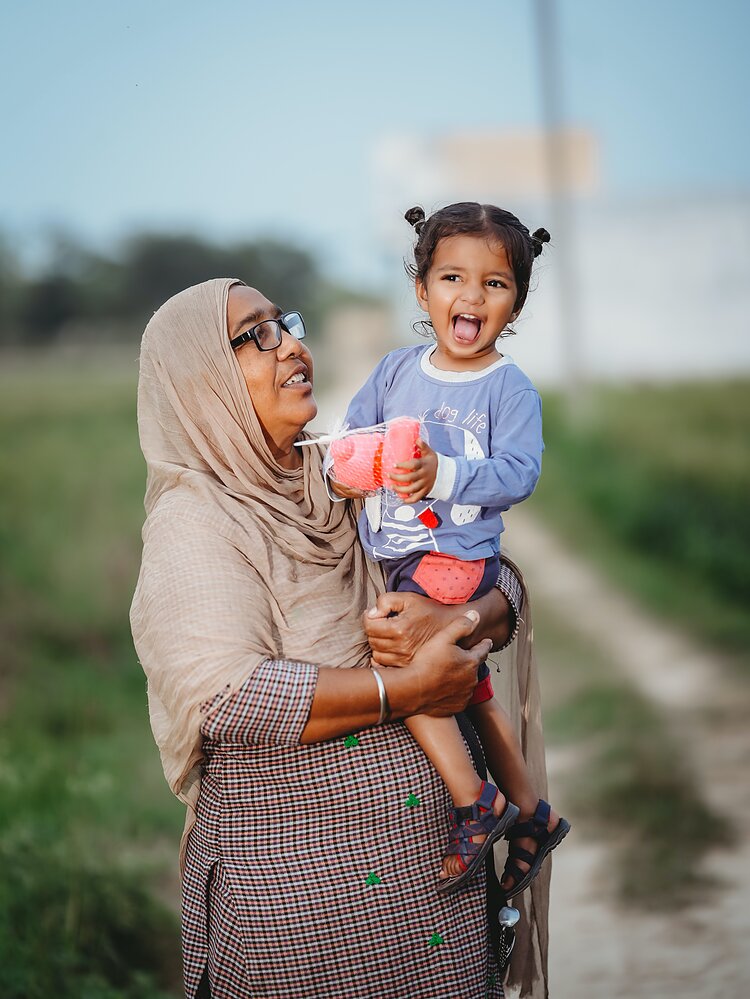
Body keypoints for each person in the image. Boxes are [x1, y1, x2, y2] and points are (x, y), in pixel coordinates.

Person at [130, 277, 551, 999]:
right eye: (257, 335)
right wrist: (407, 689)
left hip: (438, 916)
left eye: (285, 324)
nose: (293, 345)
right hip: (301, 924)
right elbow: (228, 697)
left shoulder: (342, 472)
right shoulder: (197, 523)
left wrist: (458, 621)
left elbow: (496, 574)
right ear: (203, 382)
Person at [331, 203, 569, 896]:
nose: (471, 297)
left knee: (405, 661)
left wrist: (445, 472)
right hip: (398, 552)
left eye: (494, 284)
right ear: (422, 290)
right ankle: (531, 809)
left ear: (516, 301)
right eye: (452, 277)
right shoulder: (394, 370)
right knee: (471, 684)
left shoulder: (508, 387)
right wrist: (346, 465)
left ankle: (475, 800)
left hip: (455, 561)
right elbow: (353, 438)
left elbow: (520, 472)